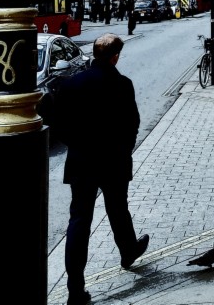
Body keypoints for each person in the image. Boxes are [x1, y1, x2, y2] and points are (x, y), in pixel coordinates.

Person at [55, 34, 149, 305]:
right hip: (114, 160)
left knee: (79, 220)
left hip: (82, 161)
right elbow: (132, 123)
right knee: (118, 207)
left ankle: (75, 289)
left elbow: (59, 125)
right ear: (115, 57)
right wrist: (123, 150)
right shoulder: (123, 85)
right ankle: (128, 251)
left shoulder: (72, 84)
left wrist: (77, 144)